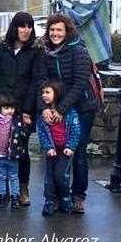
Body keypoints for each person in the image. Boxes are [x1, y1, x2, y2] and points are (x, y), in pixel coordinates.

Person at [34, 13, 97, 214]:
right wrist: (44, 108)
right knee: (54, 152)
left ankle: (78, 195)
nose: (55, 34)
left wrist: (61, 109)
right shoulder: (46, 53)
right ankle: (58, 196)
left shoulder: (78, 50)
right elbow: (42, 82)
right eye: (52, 30)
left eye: (59, 30)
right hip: (57, 108)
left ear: (67, 31)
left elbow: (80, 83)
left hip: (81, 107)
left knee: (76, 152)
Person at [0, 11, 39, 206]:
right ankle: (3, 190)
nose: (25, 30)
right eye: (22, 26)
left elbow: (36, 81)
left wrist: (28, 109)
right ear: (14, 27)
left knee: (21, 150)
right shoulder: (1, 49)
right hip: (1, 107)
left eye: (29, 26)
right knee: (0, 150)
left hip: (21, 110)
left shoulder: (36, 52)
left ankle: (22, 188)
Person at [37, 80, 80, 216]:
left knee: (61, 175)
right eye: (43, 92)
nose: (44, 95)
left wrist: (70, 146)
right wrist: (48, 147)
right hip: (52, 149)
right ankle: (49, 200)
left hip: (65, 149)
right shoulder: (43, 114)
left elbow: (75, 130)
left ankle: (65, 197)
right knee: (49, 176)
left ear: (57, 93)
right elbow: (42, 132)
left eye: (48, 92)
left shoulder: (70, 113)